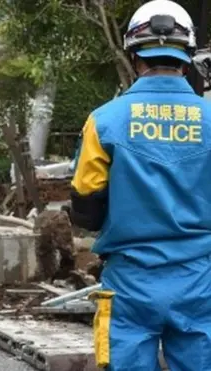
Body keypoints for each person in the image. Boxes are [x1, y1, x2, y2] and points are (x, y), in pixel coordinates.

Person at [69, 1, 211, 370]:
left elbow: (85, 208)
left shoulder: (104, 122)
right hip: (201, 279)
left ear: (135, 57)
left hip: (129, 282)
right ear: (186, 58)